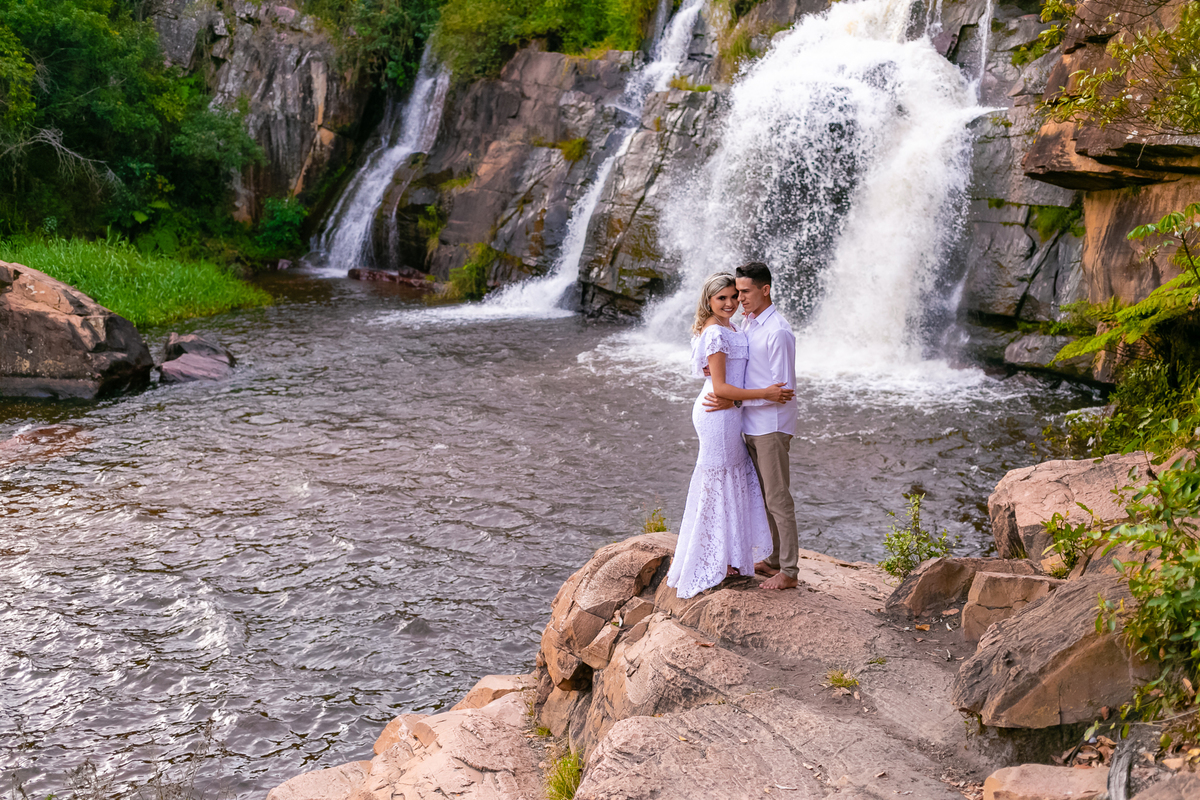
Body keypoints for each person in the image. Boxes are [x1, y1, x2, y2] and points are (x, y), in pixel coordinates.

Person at [666, 273, 795, 599]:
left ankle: (729, 557)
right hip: (718, 413)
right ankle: (713, 561)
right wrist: (762, 393)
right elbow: (721, 387)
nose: (731, 303)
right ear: (708, 300)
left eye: (734, 296)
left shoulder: (737, 326)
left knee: (733, 481)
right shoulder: (715, 332)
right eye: (722, 298)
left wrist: (738, 400)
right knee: (718, 482)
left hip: (733, 412)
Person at [704, 262, 799, 590]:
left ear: (765, 290)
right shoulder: (748, 323)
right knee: (764, 497)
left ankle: (789, 571)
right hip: (751, 424)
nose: (739, 298)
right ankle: (773, 560)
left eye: (744, 292)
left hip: (772, 426)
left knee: (778, 498)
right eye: (736, 292)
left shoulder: (778, 331)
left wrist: (735, 401)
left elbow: (782, 392)